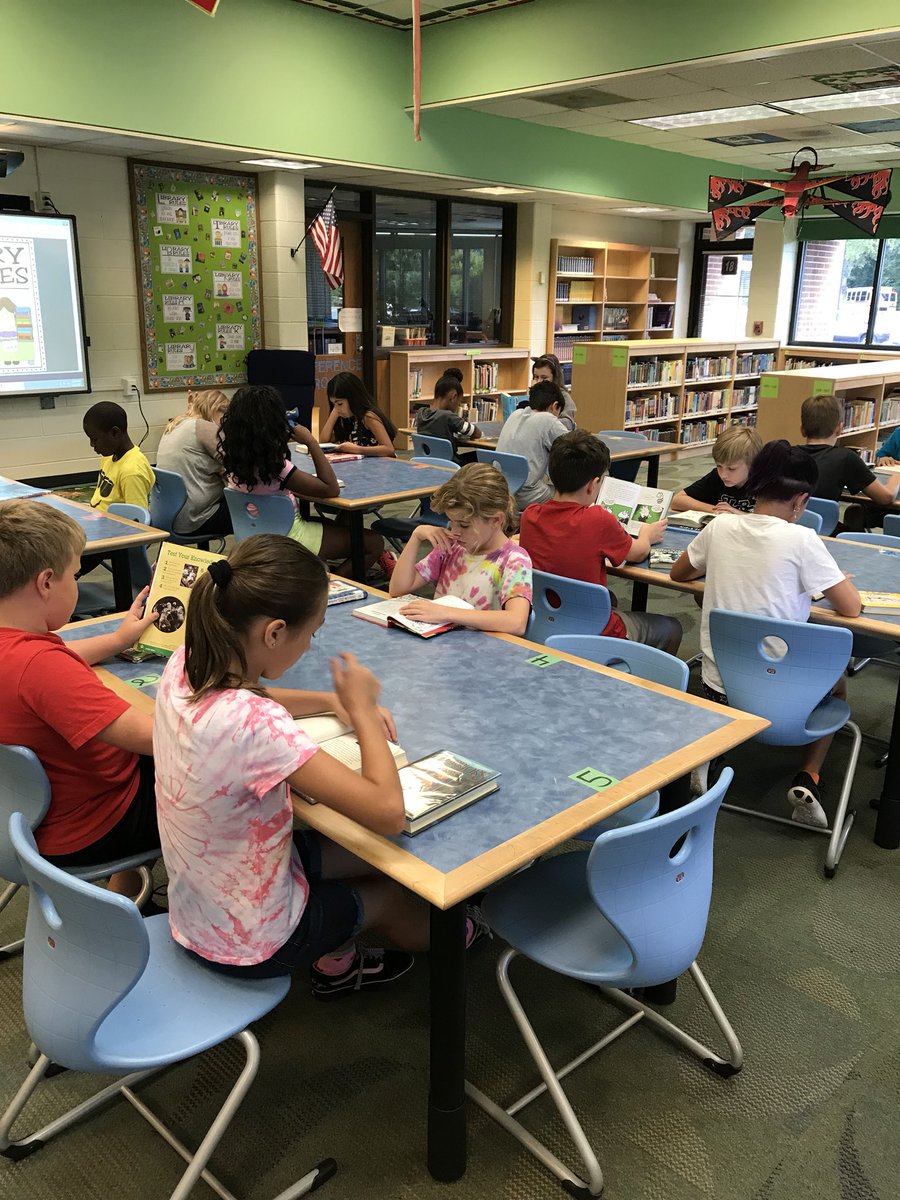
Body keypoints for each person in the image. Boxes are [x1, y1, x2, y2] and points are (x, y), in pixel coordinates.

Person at [152, 533, 453, 998]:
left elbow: (252, 695)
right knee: (391, 891)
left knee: (370, 854)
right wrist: (363, 706)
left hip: (202, 902)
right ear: (274, 632)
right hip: (253, 942)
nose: (311, 646)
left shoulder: (186, 663)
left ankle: (338, 942)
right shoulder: (255, 724)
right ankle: (461, 942)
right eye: (311, 634)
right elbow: (386, 809)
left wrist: (332, 702)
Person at [670, 440, 861, 826]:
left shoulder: (721, 526)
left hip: (719, 686)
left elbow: (678, 574)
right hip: (786, 699)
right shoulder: (803, 539)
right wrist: (836, 579)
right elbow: (851, 607)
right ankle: (811, 775)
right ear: (800, 500)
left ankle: (711, 752)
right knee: (838, 680)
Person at [0, 499, 160, 896]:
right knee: (218, 775)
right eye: (75, 576)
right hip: (92, 826)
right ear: (46, 582)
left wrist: (119, 639)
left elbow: (53, 663)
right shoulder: (40, 667)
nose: (77, 584)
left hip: (23, 815)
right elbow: (158, 736)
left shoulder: (22, 653)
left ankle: (124, 886)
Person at [519, 430, 681, 653]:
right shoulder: (598, 519)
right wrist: (647, 534)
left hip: (545, 620)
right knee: (671, 628)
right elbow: (636, 553)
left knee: (610, 598)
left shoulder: (530, 515)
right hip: (593, 629)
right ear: (592, 485)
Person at [219, 384, 385, 577]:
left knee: (336, 526)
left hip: (253, 535)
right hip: (289, 537)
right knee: (374, 543)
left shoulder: (234, 462)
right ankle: (330, 586)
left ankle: (314, 575)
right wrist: (311, 442)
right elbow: (331, 488)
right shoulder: (276, 467)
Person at [388, 462, 532, 636]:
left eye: (464, 525)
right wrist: (416, 536)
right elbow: (398, 589)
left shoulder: (514, 559)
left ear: (496, 520)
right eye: (451, 522)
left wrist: (445, 613)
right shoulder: (452, 547)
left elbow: (516, 622)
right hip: (445, 646)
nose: (455, 532)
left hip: (484, 653)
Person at [794, 393, 899, 528]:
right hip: (824, 530)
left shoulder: (787, 454)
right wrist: (895, 481)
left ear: (802, 429)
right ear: (840, 428)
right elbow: (886, 497)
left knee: (855, 512)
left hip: (789, 525)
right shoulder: (846, 458)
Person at [155, 388, 233, 538]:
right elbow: (236, 464)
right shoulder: (203, 427)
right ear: (216, 409)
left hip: (168, 516)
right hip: (195, 518)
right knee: (256, 507)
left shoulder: (175, 425)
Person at [495, 380, 568, 511]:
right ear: (555, 406)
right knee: (570, 496)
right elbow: (574, 446)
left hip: (500, 492)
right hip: (526, 495)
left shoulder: (515, 414)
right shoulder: (547, 418)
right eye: (559, 413)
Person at [671, 425, 763, 515]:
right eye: (719, 466)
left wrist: (737, 513)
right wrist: (715, 510)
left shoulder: (766, 483)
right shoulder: (716, 477)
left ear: (752, 465)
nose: (723, 475)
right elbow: (677, 500)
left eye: (731, 469)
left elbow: (773, 520)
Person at [83, 400, 155, 511]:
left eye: (95, 439)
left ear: (115, 433)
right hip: (97, 516)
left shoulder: (132, 472)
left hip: (112, 525)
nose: (92, 444)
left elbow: (137, 522)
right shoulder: (108, 457)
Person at [320, 372, 397, 457]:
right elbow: (323, 442)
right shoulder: (347, 418)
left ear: (353, 398)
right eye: (333, 404)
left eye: (340, 404)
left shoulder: (368, 417)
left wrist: (356, 449)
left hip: (381, 466)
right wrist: (334, 412)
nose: (337, 409)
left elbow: (389, 449)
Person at [415, 373, 481, 462]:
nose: (457, 406)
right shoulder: (448, 416)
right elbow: (476, 433)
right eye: (459, 402)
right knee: (480, 456)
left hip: (429, 461)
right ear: (453, 397)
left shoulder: (421, 413)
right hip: (451, 463)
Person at [532, 354, 576, 430]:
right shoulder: (534, 394)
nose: (539, 381)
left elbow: (567, 423)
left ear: (555, 377)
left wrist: (542, 421)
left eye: (544, 378)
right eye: (536, 377)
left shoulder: (564, 397)